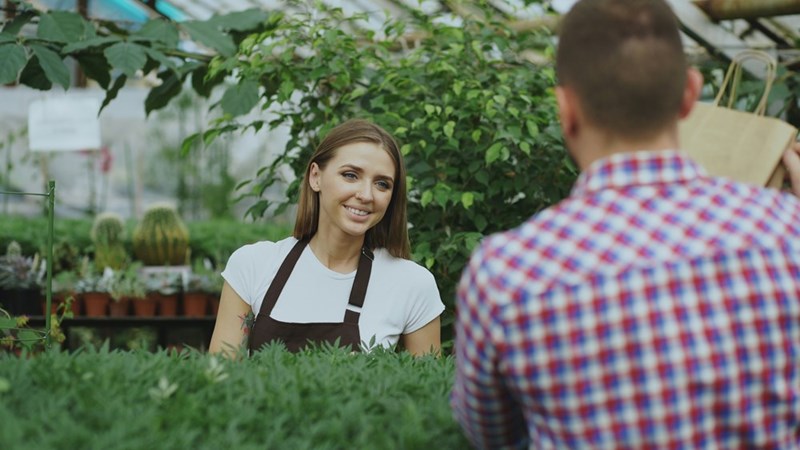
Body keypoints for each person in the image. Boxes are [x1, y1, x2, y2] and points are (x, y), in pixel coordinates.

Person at [451, 0, 800, 448]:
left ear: (566, 109)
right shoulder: (787, 232)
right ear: (690, 93)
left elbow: (488, 434)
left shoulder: (504, 271)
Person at [210, 119, 444, 357]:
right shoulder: (253, 266)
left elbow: (425, 389)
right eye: (350, 175)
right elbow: (220, 380)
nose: (366, 195)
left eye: (382, 184)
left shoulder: (412, 284)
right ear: (315, 177)